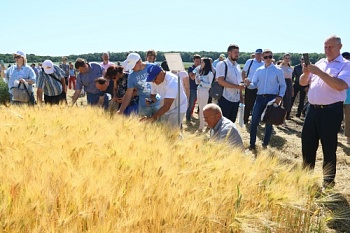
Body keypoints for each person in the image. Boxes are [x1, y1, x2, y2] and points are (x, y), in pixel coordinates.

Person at [299, 36, 350, 188]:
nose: (328, 50)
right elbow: (302, 82)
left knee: (328, 147)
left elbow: (340, 85)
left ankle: (328, 182)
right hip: (312, 109)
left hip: (330, 111)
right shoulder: (320, 63)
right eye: (325, 47)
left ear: (340, 47)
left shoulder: (345, 65)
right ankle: (306, 179)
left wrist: (318, 72)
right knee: (307, 144)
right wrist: (307, 73)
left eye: (331, 47)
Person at [245, 49, 286, 150]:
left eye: (270, 57)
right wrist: (248, 84)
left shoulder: (278, 70)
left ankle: (265, 144)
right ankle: (252, 144)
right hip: (259, 98)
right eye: (266, 57)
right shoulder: (259, 70)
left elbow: (283, 85)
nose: (268, 59)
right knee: (254, 122)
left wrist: (280, 97)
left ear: (272, 57)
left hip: (272, 99)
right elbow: (254, 84)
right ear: (262, 57)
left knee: (269, 123)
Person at [216, 44, 245, 123]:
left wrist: (241, 97)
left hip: (236, 99)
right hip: (225, 98)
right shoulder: (222, 64)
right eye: (235, 52)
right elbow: (220, 81)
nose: (237, 54)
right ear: (229, 53)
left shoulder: (237, 66)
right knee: (223, 123)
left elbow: (239, 83)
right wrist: (237, 87)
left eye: (238, 52)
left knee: (231, 123)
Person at [241, 49, 264, 124]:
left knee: (257, 105)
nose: (259, 55)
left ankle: (255, 121)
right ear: (255, 54)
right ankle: (245, 120)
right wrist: (245, 81)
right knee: (248, 104)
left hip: (259, 87)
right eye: (257, 54)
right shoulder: (250, 61)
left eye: (260, 54)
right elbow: (243, 72)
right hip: (250, 86)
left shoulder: (263, 64)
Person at [194, 58, 214, 131]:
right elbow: (196, 82)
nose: (200, 63)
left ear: (206, 63)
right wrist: (196, 78)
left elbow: (209, 85)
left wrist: (201, 82)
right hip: (199, 90)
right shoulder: (201, 72)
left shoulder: (210, 73)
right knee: (200, 108)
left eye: (202, 62)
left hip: (204, 92)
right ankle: (201, 124)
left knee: (203, 108)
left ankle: (202, 125)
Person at [279, 53, 294, 122]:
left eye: (288, 58)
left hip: (288, 84)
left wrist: (292, 89)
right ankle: (276, 116)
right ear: (283, 58)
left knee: (287, 101)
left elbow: (291, 79)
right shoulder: (279, 67)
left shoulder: (290, 68)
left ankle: (284, 118)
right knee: (279, 100)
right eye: (286, 58)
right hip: (281, 83)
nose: (287, 59)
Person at [186, 54, 201, 122]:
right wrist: (196, 70)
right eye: (196, 61)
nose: (198, 62)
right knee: (191, 103)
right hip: (192, 88)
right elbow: (192, 77)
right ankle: (188, 117)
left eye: (199, 61)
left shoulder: (202, 68)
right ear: (193, 61)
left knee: (199, 104)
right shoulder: (191, 68)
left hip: (200, 88)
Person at [342, 52, 350, 144]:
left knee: (348, 119)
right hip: (336, 98)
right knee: (335, 118)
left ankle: (348, 138)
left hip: (349, 99)